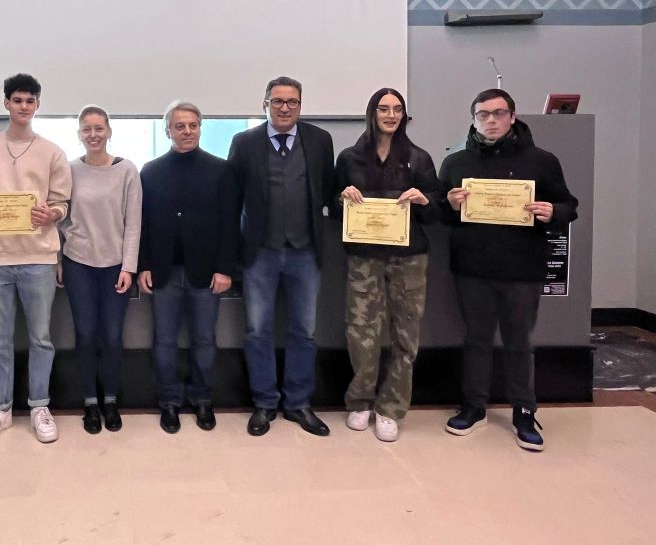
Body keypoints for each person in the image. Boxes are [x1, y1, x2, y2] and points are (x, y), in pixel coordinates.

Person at [439, 88, 578, 452]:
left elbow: (568, 205)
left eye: (498, 113)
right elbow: (438, 212)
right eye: (482, 115)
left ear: (513, 117)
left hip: (523, 269)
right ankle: (474, 407)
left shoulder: (542, 161)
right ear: (473, 120)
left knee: (519, 342)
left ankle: (524, 411)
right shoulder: (455, 163)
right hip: (472, 268)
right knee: (476, 339)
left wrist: (554, 212)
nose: (491, 120)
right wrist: (448, 203)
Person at [0, 73, 72, 444]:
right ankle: (0, 409)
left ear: (37, 105)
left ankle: (40, 405)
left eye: (30, 101)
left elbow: (62, 203)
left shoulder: (52, 152)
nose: (23, 106)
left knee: (41, 338)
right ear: (6, 103)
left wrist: (52, 214)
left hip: (39, 257)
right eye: (17, 100)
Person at [228, 76, 334, 437]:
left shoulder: (320, 141)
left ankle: (298, 403)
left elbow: (327, 188)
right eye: (277, 101)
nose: (285, 108)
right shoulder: (244, 143)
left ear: (301, 106)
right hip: (260, 253)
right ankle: (264, 403)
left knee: (304, 330)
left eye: (292, 102)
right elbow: (232, 199)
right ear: (265, 105)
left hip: (305, 251)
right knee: (258, 330)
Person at [335, 88, 439, 442]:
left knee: (405, 332)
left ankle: (391, 407)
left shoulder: (419, 158)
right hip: (364, 256)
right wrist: (342, 198)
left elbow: (436, 211)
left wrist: (424, 199)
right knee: (361, 330)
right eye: (383, 109)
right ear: (372, 113)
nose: (391, 115)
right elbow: (332, 206)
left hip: (409, 257)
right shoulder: (350, 157)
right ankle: (361, 400)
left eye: (397, 109)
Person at [138, 101, 237, 433]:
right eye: (180, 126)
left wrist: (225, 269)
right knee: (164, 340)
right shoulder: (151, 171)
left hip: (207, 273)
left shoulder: (220, 170)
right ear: (168, 130)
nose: (187, 131)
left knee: (205, 340)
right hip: (163, 271)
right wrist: (144, 265)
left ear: (200, 128)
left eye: (193, 125)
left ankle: (202, 399)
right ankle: (169, 401)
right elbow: (143, 223)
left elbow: (230, 224)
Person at [58, 105, 142, 434]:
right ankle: (90, 402)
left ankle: (111, 400)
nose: (93, 135)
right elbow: (60, 219)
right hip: (78, 263)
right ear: (79, 134)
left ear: (108, 132)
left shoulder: (127, 170)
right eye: (86, 129)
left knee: (112, 335)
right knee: (85, 333)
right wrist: (59, 260)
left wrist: (129, 267)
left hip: (115, 267)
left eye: (98, 128)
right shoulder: (69, 170)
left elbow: (134, 222)